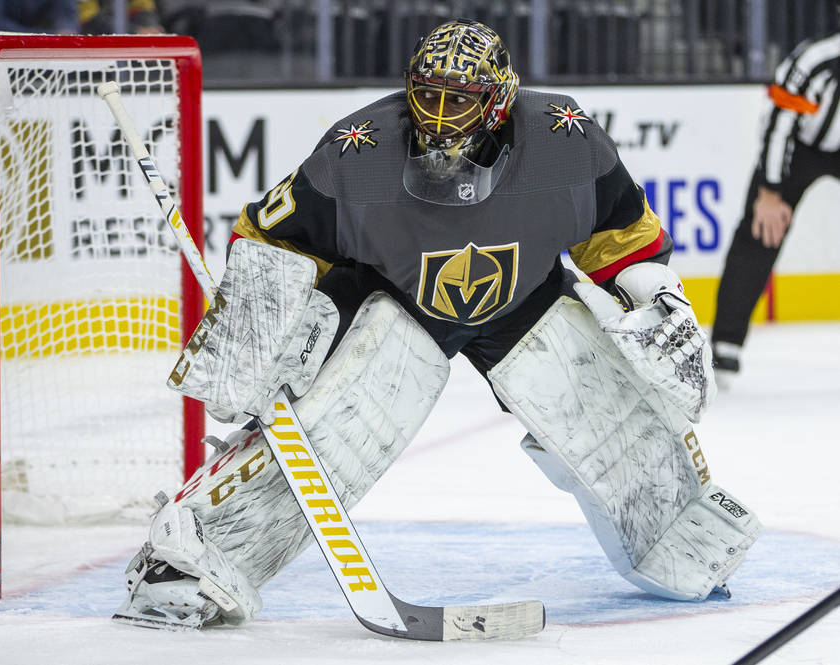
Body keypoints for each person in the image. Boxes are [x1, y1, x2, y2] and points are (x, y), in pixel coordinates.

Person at [114, 19, 762, 630]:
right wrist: (259, 326)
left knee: (606, 415)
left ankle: (678, 534)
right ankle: (186, 555)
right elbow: (272, 235)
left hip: (525, 293)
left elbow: (623, 237)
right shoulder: (359, 150)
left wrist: (660, 299)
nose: (440, 115)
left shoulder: (565, 138)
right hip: (396, 294)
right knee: (333, 430)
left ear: (501, 101)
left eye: (461, 99)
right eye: (427, 94)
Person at [712, 20, 840, 377]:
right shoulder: (816, 61)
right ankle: (726, 345)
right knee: (760, 230)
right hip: (801, 146)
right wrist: (770, 192)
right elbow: (778, 126)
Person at [78, 0, 163, 35]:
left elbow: (142, 7)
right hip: (93, 44)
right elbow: (89, 18)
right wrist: (135, 32)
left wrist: (150, 29)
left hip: (129, 39)